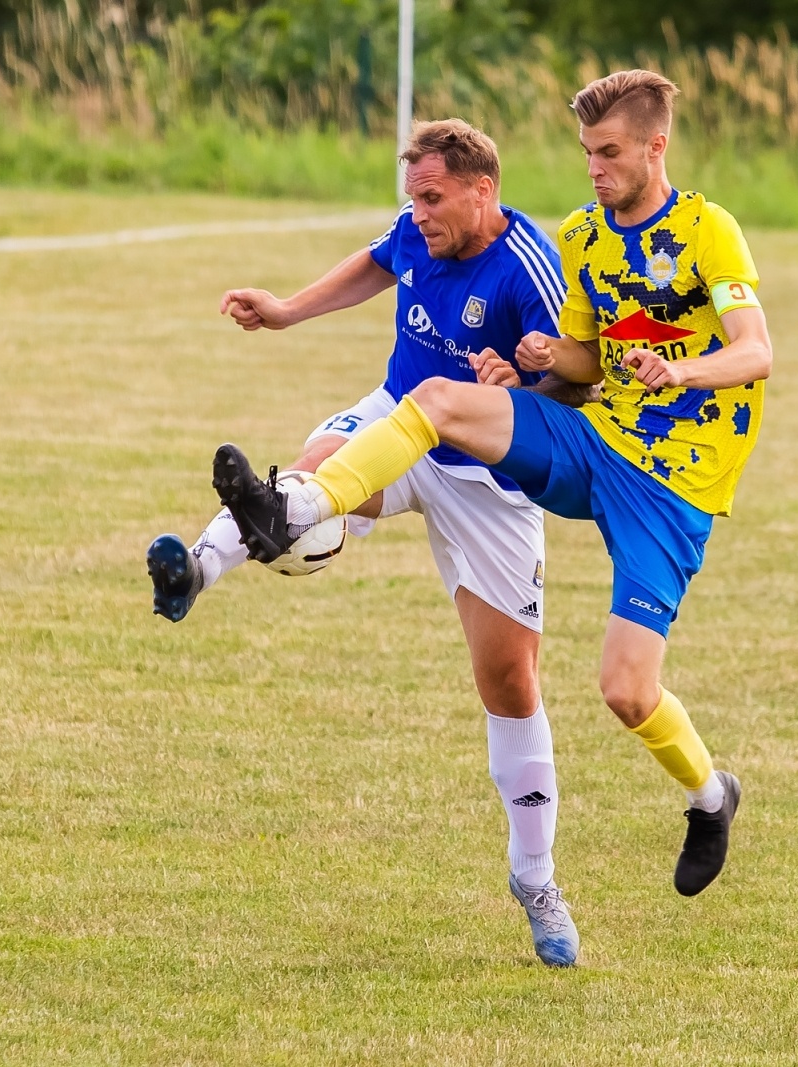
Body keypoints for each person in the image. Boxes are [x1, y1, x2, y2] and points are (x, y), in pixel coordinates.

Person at [214, 69, 774, 900]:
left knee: (625, 690)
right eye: (587, 152)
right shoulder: (583, 235)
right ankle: (296, 501)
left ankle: (708, 794)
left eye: (610, 151)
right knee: (437, 401)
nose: (594, 167)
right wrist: (539, 362)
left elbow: (755, 350)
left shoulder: (707, 231)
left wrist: (680, 369)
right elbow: (583, 366)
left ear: (657, 147)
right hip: (595, 438)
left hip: (676, 483)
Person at [146, 118, 581, 966]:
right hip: (396, 421)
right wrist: (287, 311)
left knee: (510, 679)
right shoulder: (417, 231)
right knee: (316, 466)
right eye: (410, 198)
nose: (416, 214)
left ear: (481, 190)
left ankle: (535, 876)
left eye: (432, 197)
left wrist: (526, 378)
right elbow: (375, 263)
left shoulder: (528, 263)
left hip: (489, 477)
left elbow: (572, 379)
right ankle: (200, 566)